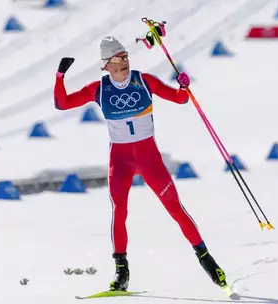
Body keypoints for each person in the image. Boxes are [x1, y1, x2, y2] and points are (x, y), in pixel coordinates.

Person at [53, 33, 228, 292]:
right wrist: (60, 76)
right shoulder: (98, 89)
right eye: (117, 58)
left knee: (175, 208)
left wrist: (183, 86)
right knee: (119, 212)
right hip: (120, 160)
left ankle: (206, 259)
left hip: (149, 158)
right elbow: (62, 103)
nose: (124, 62)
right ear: (106, 65)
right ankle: (121, 271)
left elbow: (180, 99)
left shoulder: (144, 81)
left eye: (125, 56)